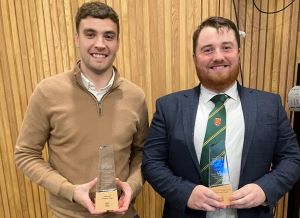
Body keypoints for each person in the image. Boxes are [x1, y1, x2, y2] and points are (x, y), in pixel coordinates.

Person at [142, 16, 300, 218]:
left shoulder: (269, 105)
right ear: (195, 57)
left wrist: (265, 189)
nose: (218, 57)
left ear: (238, 53)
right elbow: (152, 162)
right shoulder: (169, 107)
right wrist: (185, 192)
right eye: (207, 50)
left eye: (226, 47)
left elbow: (292, 158)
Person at [14, 2, 148, 218]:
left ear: (117, 42)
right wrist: (71, 191)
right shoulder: (47, 92)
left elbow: (142, 153)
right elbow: (26, 154)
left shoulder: (136, 96)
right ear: (77, 38)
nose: (100, 44)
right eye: (90, 34)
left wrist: (132, 186)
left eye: (109, 36)